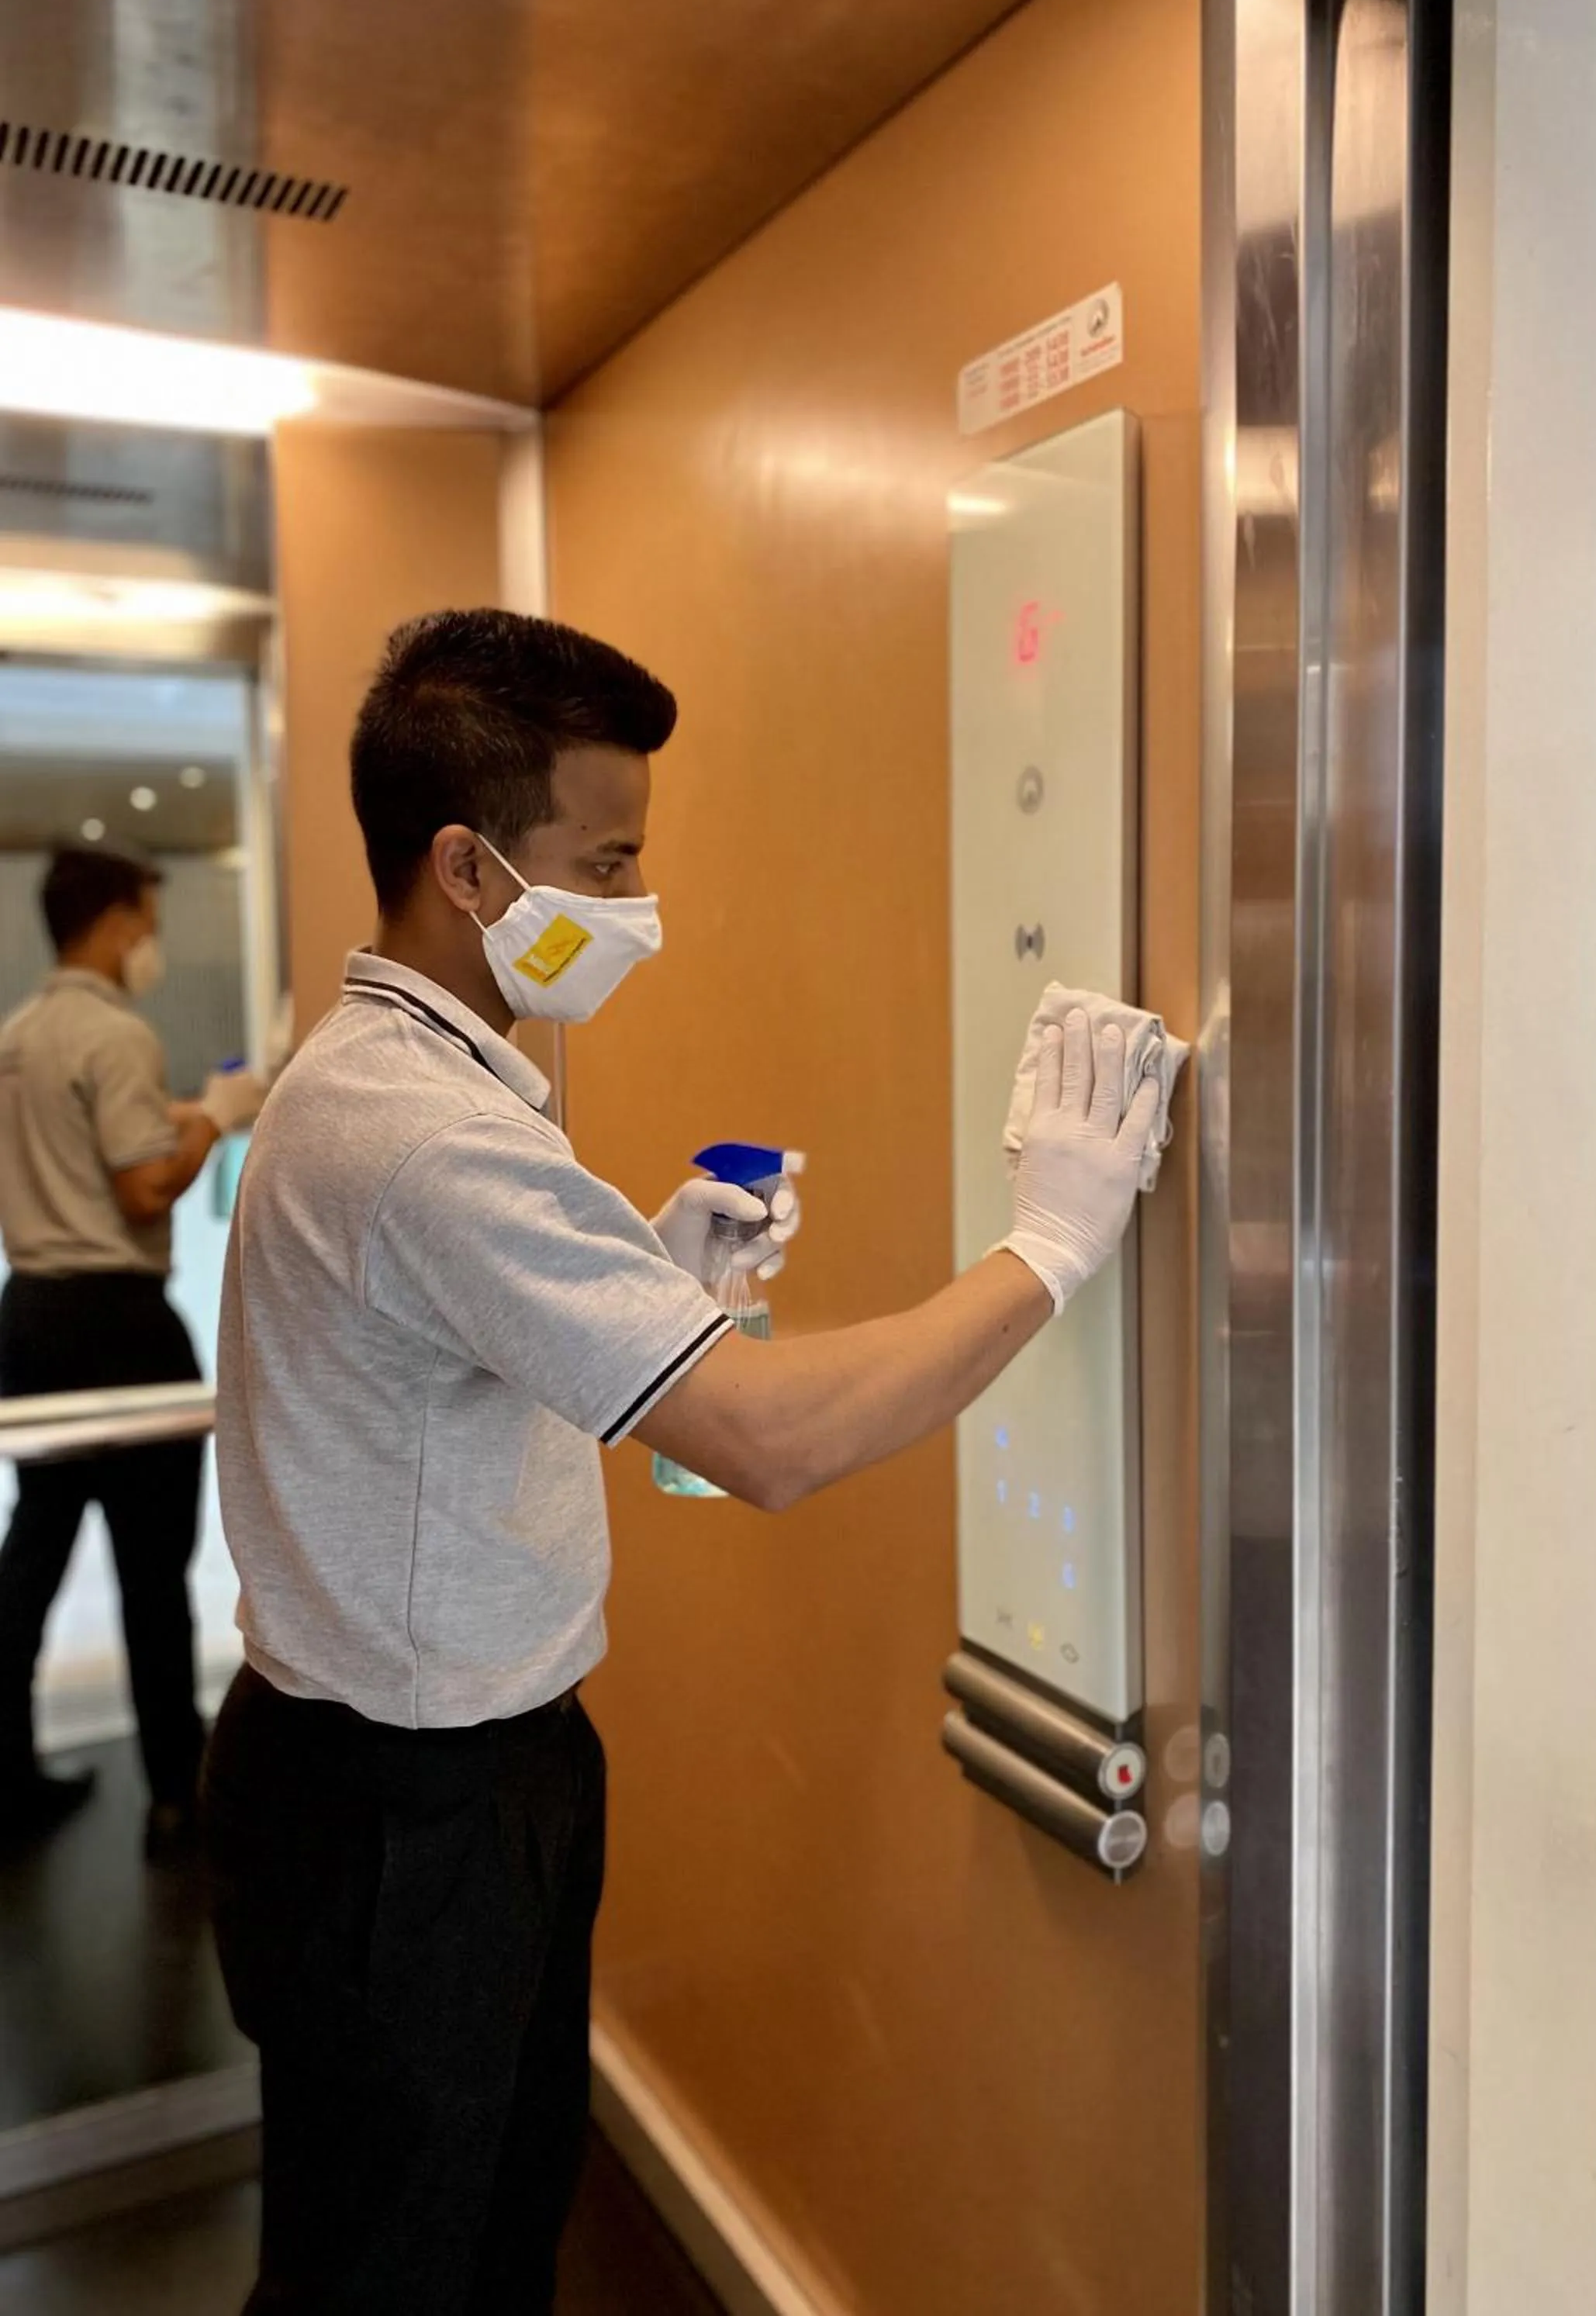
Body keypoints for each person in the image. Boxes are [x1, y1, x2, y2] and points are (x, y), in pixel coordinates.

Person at [203, 609, 1159, 2315]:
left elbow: (441, 1382)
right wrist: (1052, 1246)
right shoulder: (419, 1133)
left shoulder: (417, 1083)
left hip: (453, 1774)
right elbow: (767, 1447)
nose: (641, 907)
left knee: (489, 2218)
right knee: (395, 2270)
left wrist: (636, 1288)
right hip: (402, 1818)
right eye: (608, 858)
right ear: (469, 870)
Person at [0, 844, 265, 1857]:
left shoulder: (17, 1036)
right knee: (154, 1568)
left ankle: (7, 1775)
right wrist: (220, 1122)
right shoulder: (115, 1036)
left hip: (28, 1313)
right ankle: (174, 1800)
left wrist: (184, 1121)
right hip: (117, 1319)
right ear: (113, 920)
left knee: (33, 1551)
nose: (152, 944)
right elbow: (142, 1191)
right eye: (150, 922)